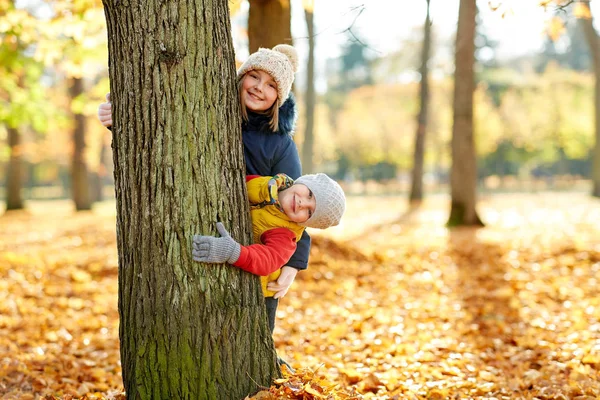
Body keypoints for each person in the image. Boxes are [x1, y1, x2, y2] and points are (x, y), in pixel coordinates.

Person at [98, 44, 311, 364]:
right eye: (253, 76)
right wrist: (120, 122)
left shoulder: (279, 142)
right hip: (202, 226)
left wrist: (295, 262)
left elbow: (297, 206)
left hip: (260, 246)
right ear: (240, 78)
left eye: (270, 85)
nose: (258, 87)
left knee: (256, 321)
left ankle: (259, 367)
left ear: (279, 99)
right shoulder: (211, 114)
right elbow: (161, 135)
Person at [192, 173, 345, 331]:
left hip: (260, 296)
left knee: (252, 333)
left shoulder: (286, 233)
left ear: (306, 222)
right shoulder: (268, 183)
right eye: (310, 194)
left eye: (309, 212)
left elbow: (268, 260)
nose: (301, 203)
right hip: (237, 282)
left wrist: (231, 251)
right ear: (304, 182)